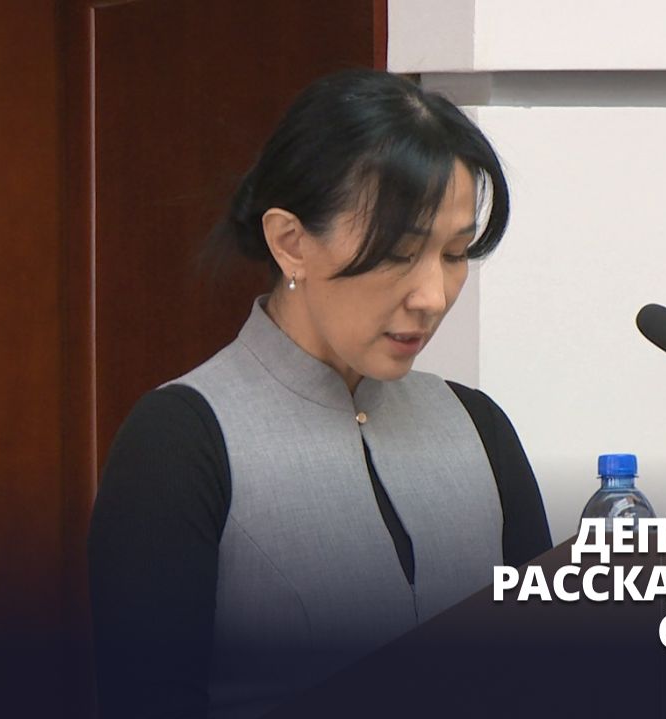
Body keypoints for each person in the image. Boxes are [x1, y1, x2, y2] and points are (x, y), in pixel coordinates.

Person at [87, 69, 552, 719]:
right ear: (291, 243)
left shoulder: (479, 428)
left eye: (454, 255)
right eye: (399, 252)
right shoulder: (181, 442)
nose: (432, 296)